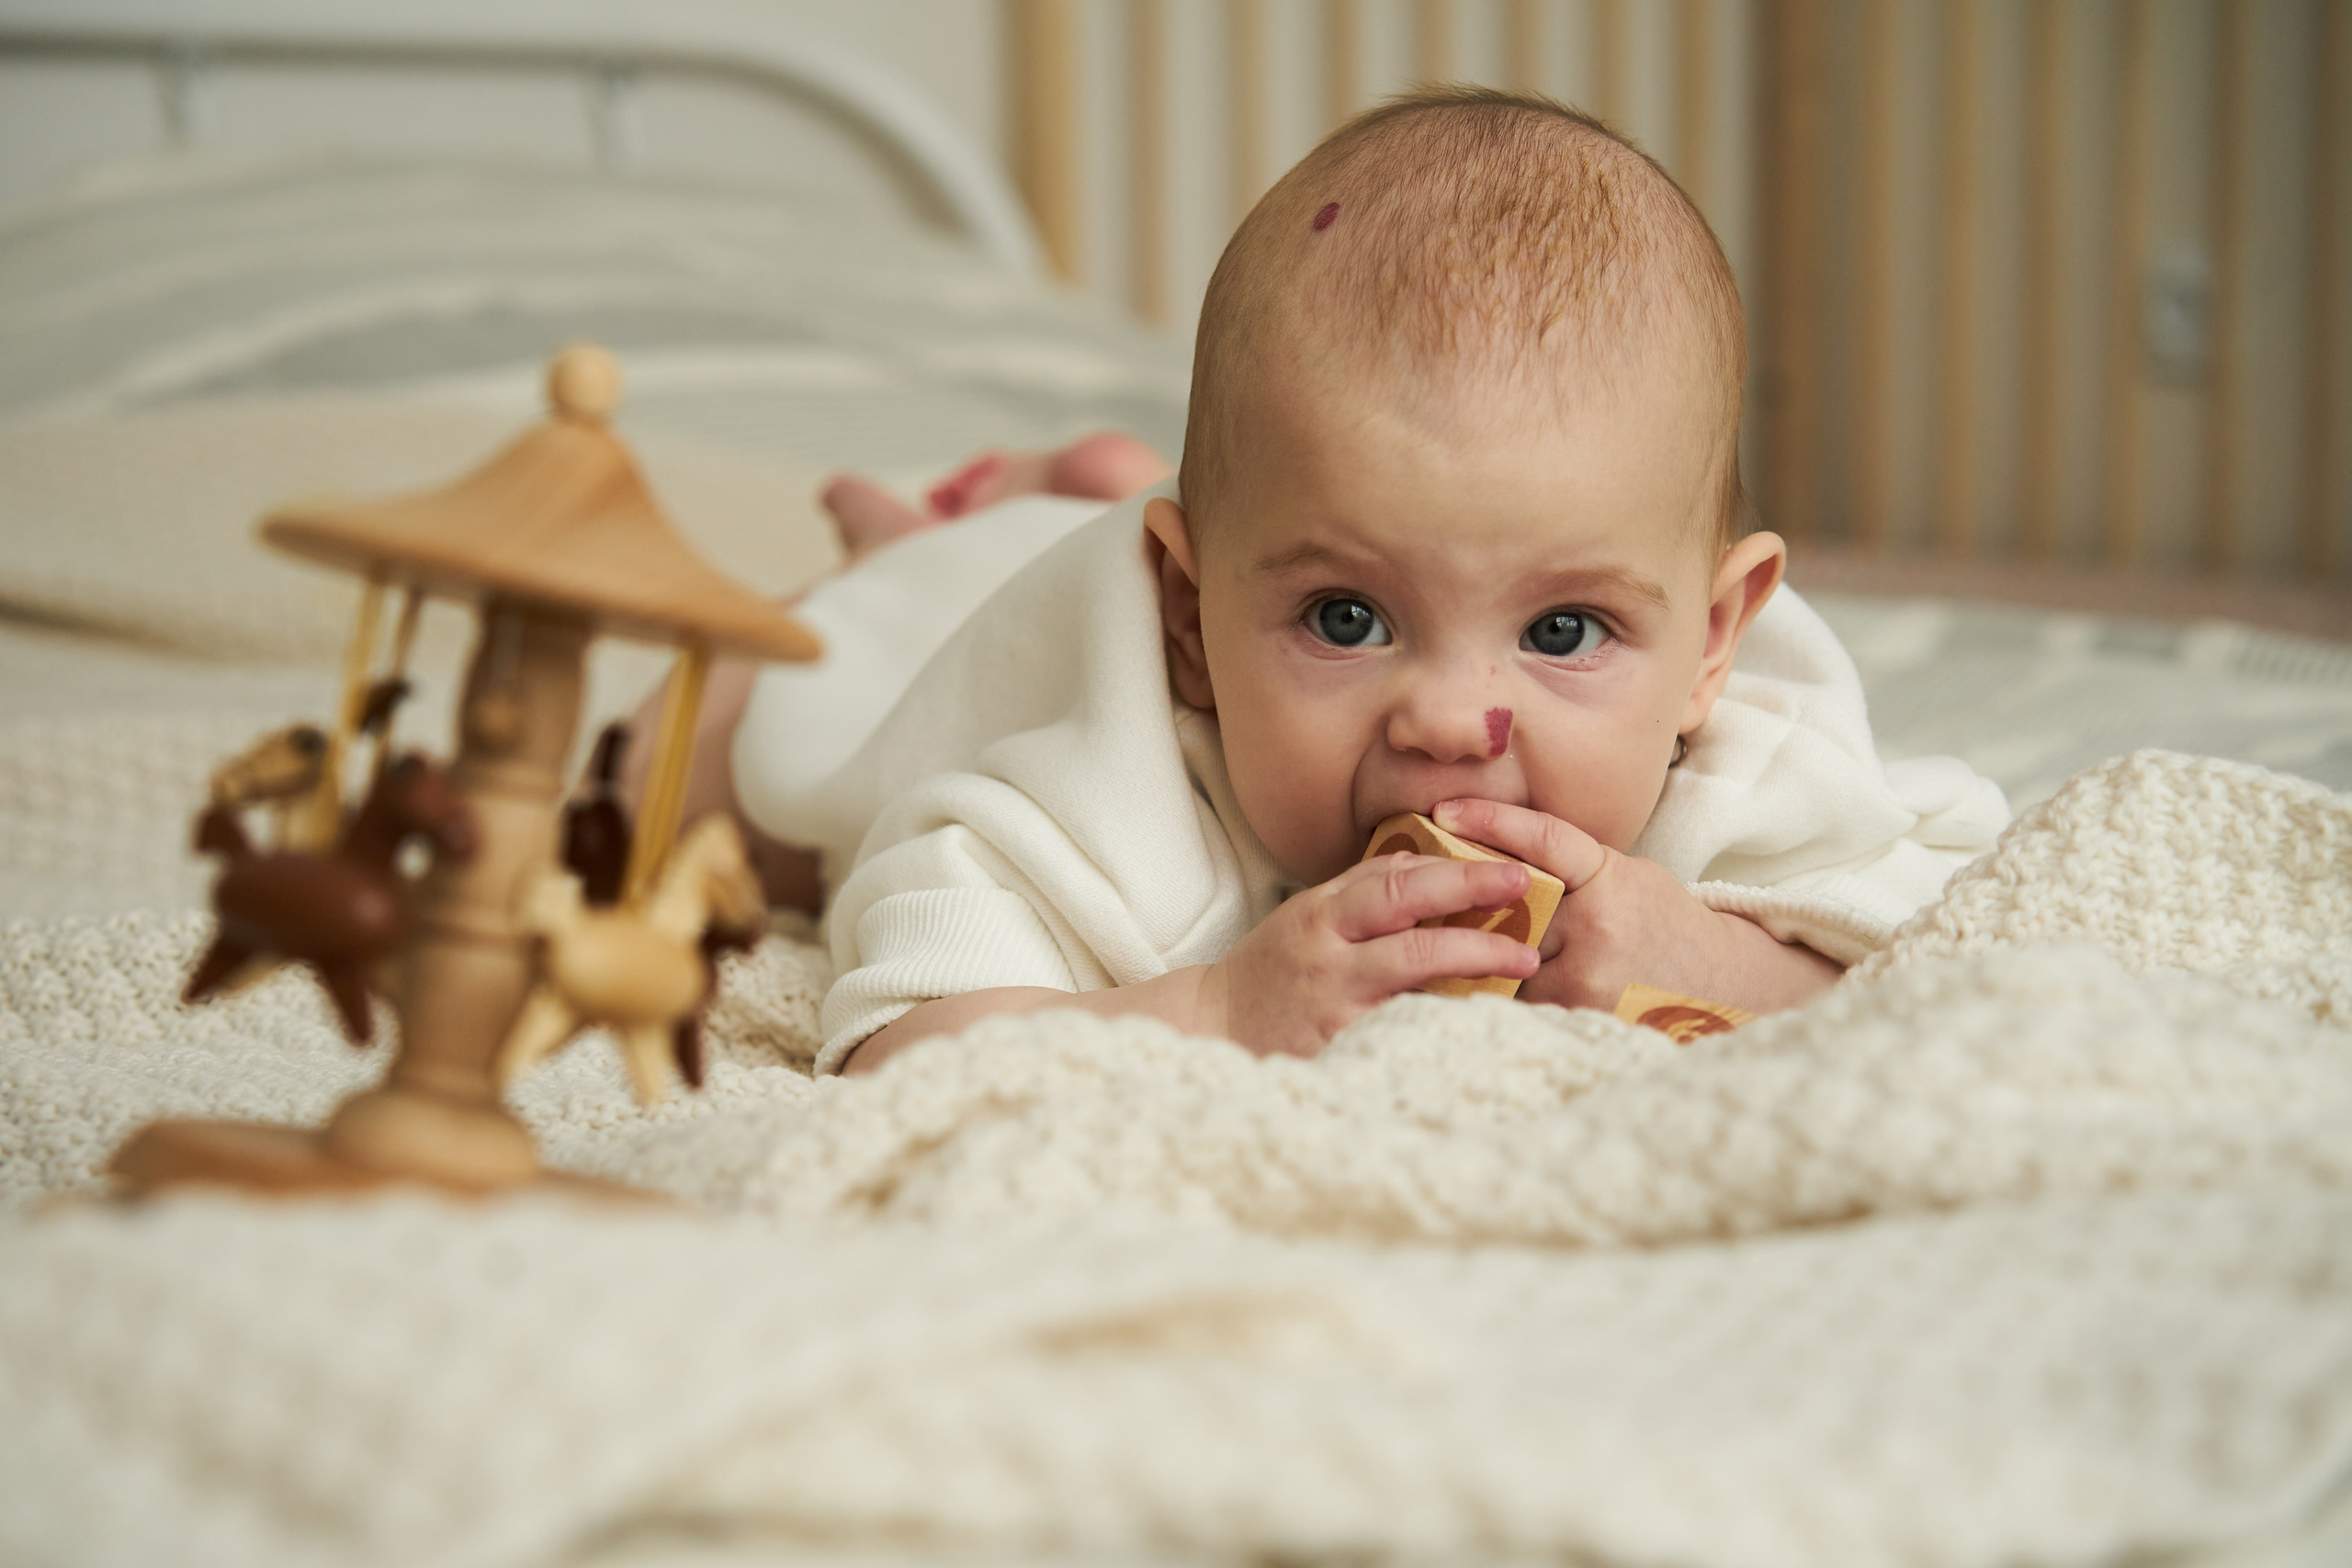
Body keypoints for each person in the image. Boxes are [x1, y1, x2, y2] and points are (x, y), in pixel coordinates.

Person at [639, 86, 2009, 1077]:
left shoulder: (1750, 763)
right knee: (696, 762)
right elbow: (899, 1047)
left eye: (1564, 629)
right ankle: (913, 537)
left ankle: (1075, 486)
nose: (1450, 719)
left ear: (1713, 640)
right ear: (1190, 623)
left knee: (1153, 499)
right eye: (1348, 620)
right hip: (945, 635)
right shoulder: (1090, 802)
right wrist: (1213, 1013)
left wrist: (1721, 962)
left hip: (1172, 540)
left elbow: (1959, 950)